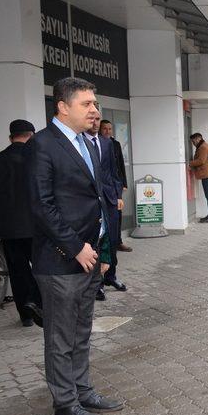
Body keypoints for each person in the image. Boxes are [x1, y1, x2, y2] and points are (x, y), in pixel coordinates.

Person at [29, 77, 124, 415]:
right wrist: (75, 248)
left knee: (82, 330)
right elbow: (41, 206)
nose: (95, 110)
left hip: (89, 257)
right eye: (87, 104)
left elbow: (96, 202)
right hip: (60, 261)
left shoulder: (91, 143)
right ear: (63, 107)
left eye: (95, 104)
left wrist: (102, 252)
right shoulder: (43, 145)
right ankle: (65, 403)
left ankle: (83, 390)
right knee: (60, 336)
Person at [0, 119, 42, 327]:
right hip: (37, 228)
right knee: (42, 269)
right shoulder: (36, 159)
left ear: (10, 138)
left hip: (9, 229)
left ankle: (25, 315)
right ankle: (40, 308)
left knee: (18, 272)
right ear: (32, 136)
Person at [85, 114, 127, 299]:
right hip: (91, 201)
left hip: (110, 199)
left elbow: (113, 171)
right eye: (92, 120)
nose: (94, 123)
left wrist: (118, 194)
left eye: (97, 119)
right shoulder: (79, 142)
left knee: (111, 239)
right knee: (96, 241)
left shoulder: (107, 143)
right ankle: (98, 283)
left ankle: (111, 276)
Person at [99, 120, 132, 252]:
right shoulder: (96, 144)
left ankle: (117, 241)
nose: (108, 131)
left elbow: (119, 165)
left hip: (115, 185)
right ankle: (105, 244)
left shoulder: (116, 144)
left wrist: (123, 183)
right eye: (105, 129)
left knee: (117, 215)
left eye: (110, 129)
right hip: (103, 187)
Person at [189, 132, 208, 223]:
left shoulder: (202, 147)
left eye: (193, 141)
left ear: (198, 139)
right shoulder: (205, 146)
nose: (193, 143)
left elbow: (201, 161)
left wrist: (190, 163)